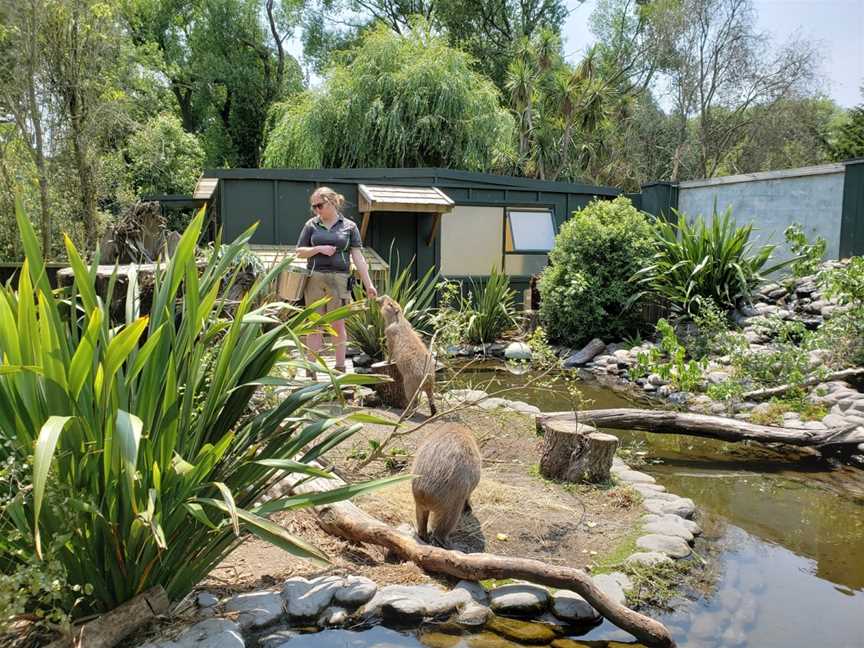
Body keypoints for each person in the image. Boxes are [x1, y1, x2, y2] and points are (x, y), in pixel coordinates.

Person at [296, 187, 377, 373]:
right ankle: (311, 368)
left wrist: (369, 284)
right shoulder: (311, 225)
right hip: (315, 279)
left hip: (340, 280)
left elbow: (358, 257)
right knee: (314, 324)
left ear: (332, 202)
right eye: (313, 207)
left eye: (319, 205)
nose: (316, 210)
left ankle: (340, 368)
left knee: (338, 325)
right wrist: (319, 249)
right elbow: (299, 252)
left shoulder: (349, 226)